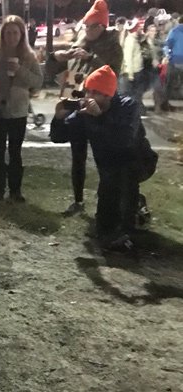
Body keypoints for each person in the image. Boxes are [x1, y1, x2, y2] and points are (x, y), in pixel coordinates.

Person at [50, 65, 153, 250]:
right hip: (109, 167)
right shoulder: (86, 112)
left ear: (109, 94)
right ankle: (130, 207)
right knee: (104, 222)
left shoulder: (128, 106)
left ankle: (131, 209)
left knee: (120, 218)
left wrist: (99, 117)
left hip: (135, 163)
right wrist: (58, 118)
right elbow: (59, 137)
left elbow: (124, 141)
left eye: (95, 92)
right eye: (88, 91)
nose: (89, 96)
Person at [48, 0, 122, 216]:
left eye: (92, 26)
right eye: (86, 26)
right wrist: (57, 57)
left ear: (102, 26)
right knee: (77, 154)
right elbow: (55, 70)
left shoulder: (112, 46)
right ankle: (78, 201)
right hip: (75, 101)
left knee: (103, 154)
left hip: (100, 106)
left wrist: (91, 58)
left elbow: (113, 72)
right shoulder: (79, 42)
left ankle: (107, 199)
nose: (88, 30)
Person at [0, 15, 43, 203]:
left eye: (15, 33)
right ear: (2, 34)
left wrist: (20, 69)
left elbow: (38, 81)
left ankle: (15, 191)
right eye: (8, 33)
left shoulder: (29, 57)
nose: (12, 37)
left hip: (19, 111)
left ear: (22, 34)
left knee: (15, 151)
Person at [163, 15, 183, 112]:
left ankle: (165, 104)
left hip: (174, 61)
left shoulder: (174, 31)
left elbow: (167, 45)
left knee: (169, 84)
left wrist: (168, 55)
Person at [120, 19, 143, 99]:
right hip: (133, 72)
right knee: (133, 95)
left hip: (136, 71)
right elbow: (128, 58)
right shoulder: (130, 41)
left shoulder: (134, 39)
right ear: (135, 29)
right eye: (140, 29)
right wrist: (130, 75)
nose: (142, 30)